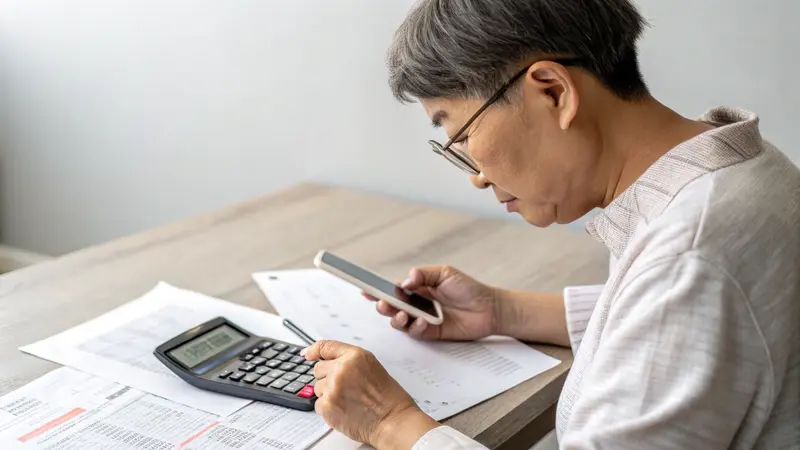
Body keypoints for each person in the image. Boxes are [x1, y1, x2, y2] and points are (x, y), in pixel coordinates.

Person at [299, 0, 800, 448]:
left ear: (553, 91)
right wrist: (502, 310)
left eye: (463, 138)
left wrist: (391, 423)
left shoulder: (689, 259)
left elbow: (678, 294)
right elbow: (666, 322)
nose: (476, 178)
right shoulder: (740, 166)